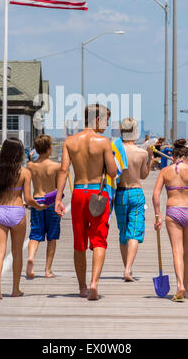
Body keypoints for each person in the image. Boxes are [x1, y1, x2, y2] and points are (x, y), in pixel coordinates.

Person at [55, 104, 117, 301]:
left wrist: (58, 198)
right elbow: (114, 172)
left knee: (79, 241)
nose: (107, 125)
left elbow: (63, 171)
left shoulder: (70, 142)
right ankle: (94, 283)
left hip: (79, 193)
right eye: (106, 120)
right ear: (97, 120)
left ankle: (82, 287)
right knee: (99, 240)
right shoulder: (103, 142)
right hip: (98, 194)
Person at [0, 138, 45, 300]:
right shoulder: (24, 172)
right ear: (19, 153)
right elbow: (28, 199)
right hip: (17, 212)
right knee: (17, 253)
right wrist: (38, 206)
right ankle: (15, 289)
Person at [152, 139, 188, 302]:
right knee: (187, 251)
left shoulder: (165, 171)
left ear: (173, 156)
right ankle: (186, 287)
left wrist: (158, 216)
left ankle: (179, 286)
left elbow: (155, 194)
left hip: (173, 212)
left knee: (177, 251)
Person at [115, 118, 153, 282]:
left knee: (123, 233)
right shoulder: (142, 153)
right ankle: (128, 269)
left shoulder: (115, 151)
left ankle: (127, 268)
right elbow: (143, 175)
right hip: (136, 192)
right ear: (135, 132)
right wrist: (150, 158)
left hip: (120, 194)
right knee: (135, 232)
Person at [26, 135, 61, 280]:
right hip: (51, 202)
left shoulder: (30, 166)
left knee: (35, 234)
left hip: (36, 201)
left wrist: (30, 158)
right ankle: (48, 270)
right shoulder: (55, 166)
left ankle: (31, 257)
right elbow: (59, 187)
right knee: (51, 237)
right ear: (48, 148)